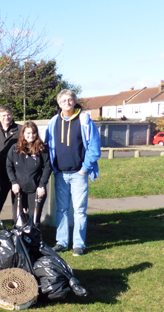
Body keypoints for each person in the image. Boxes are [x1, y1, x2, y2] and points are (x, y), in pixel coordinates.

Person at [45, 89, 101, 256]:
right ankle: (61, 242)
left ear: (75, 101)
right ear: (58, 103)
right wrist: (53, 168)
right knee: (61, 210)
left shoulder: (84, 120)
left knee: (79, 210)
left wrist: (85, 169)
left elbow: (94, 148)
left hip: (79, 174)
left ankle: (78, 244)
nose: (67, 103)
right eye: (63, 100)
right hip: (60, 174)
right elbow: (48, 146)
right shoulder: (54, 121)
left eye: (70, 100)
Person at [6, 121, 52, 226]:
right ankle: (19, 241)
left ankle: (33, 240)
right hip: (18, 189)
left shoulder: (41, 149)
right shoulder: (14, 149)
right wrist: (13, 182)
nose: (31, 135)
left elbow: (47, 167)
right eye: (28, 133)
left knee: (34, 219)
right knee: (18, 219)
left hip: (35, 189)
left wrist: (42, 186)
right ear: (23, 134)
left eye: (33, 133)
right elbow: (9, 166)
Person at [0, 105, 20, 230]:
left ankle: (19, 235)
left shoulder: (21, 130)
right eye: (3, 115)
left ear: (12, 115)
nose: (6, 117)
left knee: (18, 208)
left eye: (8, 115)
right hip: (1, 176)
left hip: (17, 175)